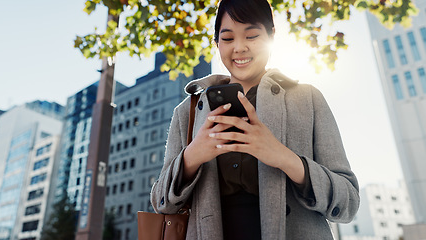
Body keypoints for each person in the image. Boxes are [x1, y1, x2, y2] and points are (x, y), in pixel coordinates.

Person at [150, 0, 360, 239]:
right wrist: (192, 156)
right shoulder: (187, 111)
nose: (239, 48)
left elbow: (349, 202)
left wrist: (284, 158)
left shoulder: (307, 99)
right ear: (216, 42)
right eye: (228, 39)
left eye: (251, 36)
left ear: (271, 35)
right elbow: (161, 203)